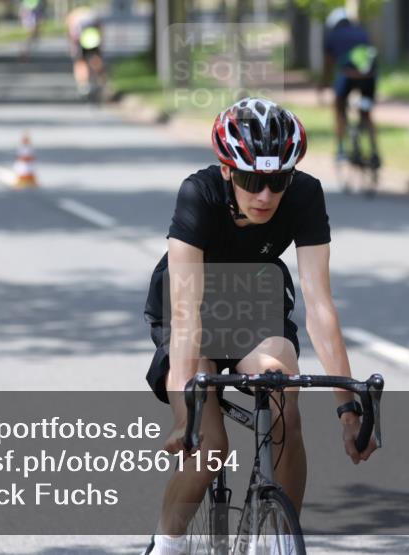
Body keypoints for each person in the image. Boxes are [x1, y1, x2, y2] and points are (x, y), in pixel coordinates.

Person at [142, 97, 377, 555]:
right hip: (193, 311)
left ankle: (278, 539)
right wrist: (182, 415)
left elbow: (320, 307)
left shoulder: (306, 195)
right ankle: (165, 544)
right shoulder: (199, 193)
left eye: (277, 181)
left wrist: (347, 409)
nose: (266, 195)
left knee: (285, 393)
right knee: (209, 446)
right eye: (252, 181)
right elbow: (186, 314)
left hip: (255, 306)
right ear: (228, 170)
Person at [320, 7, 380, 168]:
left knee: (339, 108)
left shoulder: (332, 36)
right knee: (367, 113)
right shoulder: (361, 32)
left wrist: (323, 85)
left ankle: (340, 150)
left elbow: (328, 65)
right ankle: (375, 152)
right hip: (370, 77)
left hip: (348, 76)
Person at [65, 6, 106, 96]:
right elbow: (100, 27)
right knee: (95, 59)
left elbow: (72, 32)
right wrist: (102, 41)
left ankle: (83, 84)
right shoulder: (92, 14)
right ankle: (101, 79)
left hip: (81, 38)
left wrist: (73, 46)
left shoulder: (72, 16)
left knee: (80, 61)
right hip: (93, 37)